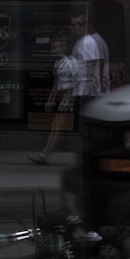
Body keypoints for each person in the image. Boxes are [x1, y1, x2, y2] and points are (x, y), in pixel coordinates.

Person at [28, 34, 78, 165]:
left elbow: (75, 82)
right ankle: (45, 154)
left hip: (69, 97)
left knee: (57, 126)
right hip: (63, 96)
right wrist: (50, 99)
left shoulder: (71, 62)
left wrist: (68, 100)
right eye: (53, 47)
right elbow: (57, 83)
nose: (53, 50)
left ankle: (45, 155)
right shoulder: (58, 63)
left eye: (56, 47)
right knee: (56, 126)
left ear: (64, 47)